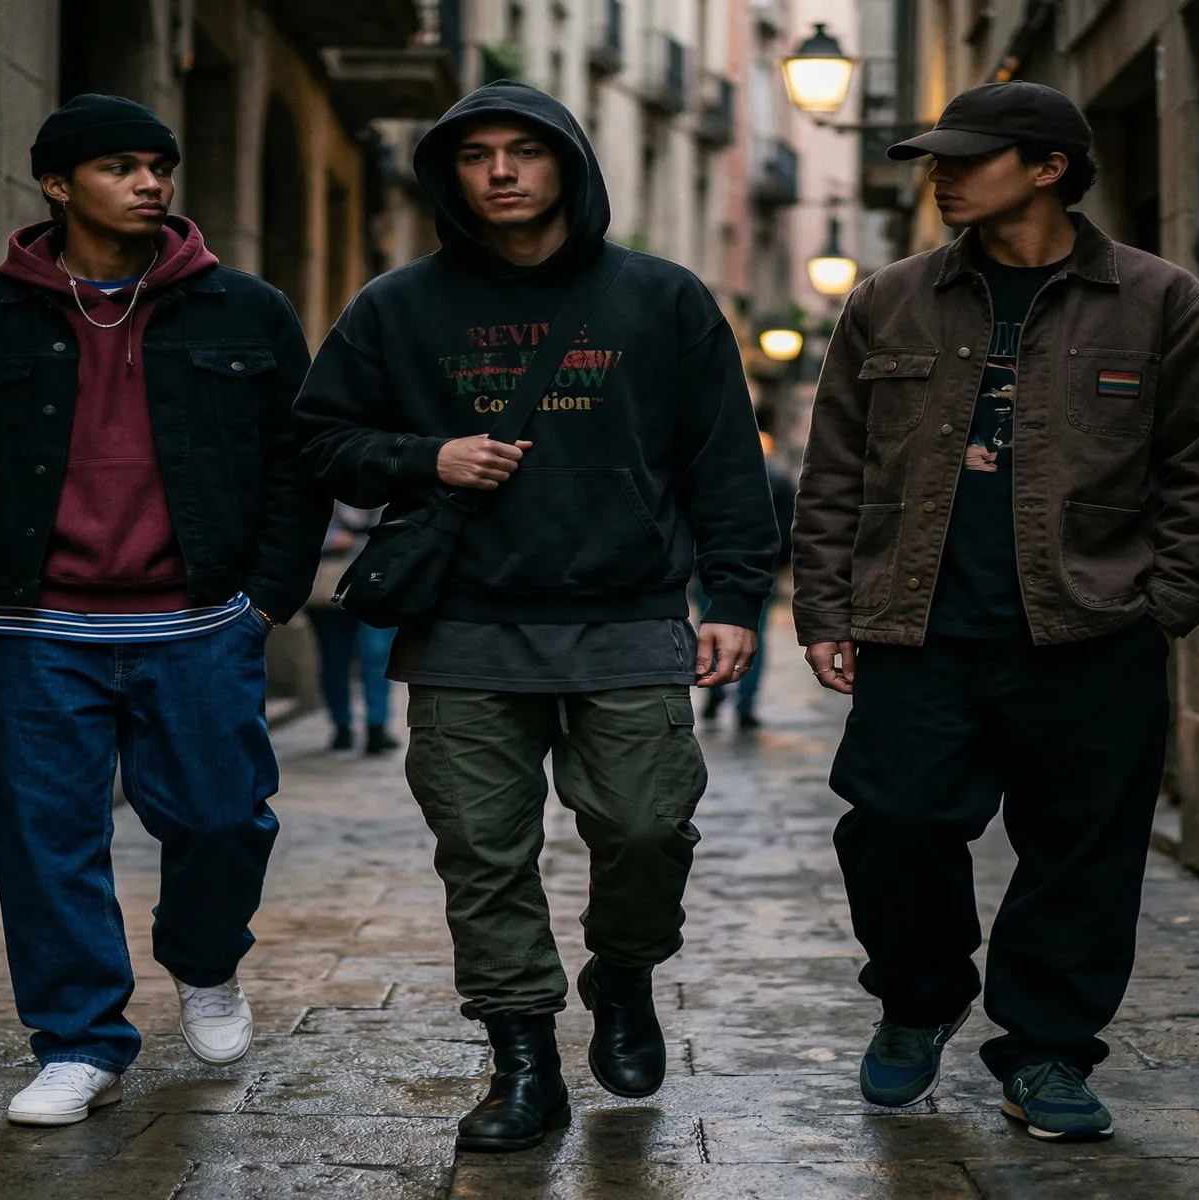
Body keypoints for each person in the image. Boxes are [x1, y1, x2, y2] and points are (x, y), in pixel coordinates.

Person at [294, 81, 777, 1152]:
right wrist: (428, 457)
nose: (501, 172)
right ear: (449, 176)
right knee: (481, 851)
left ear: (566, 164)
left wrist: (736, 595)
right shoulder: (396, 306)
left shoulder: (662, 297)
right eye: (476, 157)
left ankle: (623, 973)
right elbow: (316, 437)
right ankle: (521, 1062)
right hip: (464, 621)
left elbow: (722, 462)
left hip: (628, 615)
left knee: (647, 827)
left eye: (524, 151)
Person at [793, 81, 1199, 1143]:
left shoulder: (1160, 300)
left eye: (968, 156)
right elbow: (836, 471)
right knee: (892, 825)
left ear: (1048, 167)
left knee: (1080, 855)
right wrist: (826, 606)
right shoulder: (887, 301)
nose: (942, 175)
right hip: (920, 633)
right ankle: (918, 996)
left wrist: (1163, 607)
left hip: (1091, 633)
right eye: (936, 158)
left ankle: (1045, 1052)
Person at [0, 95, 328, 1127]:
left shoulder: (245, 310)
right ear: (56, 183)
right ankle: (80, 1042)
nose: (150, 183)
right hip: (38, 631)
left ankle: (205, 958)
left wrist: (263, 599)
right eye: (122, 166)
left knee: (224, 820)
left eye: (160, 166)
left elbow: (297, 469)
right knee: (45, 843)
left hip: (198, 625)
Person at [700, 434, 797, 731]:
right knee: (754, 635)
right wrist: (777, 563)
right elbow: (788, 528)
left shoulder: (714, 477)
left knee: (707, 632)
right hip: (760, 571)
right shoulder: (779, 480)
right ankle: (745, 704)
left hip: (709, 570)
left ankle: (712, 689)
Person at [306, 503, 400, 753]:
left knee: (376, 654)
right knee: (335, 658)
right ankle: (341, 726)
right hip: (326, 584)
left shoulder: (393, 473)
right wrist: (331, 539)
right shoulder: (315, 470)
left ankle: (376, 726)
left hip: (374, 581)